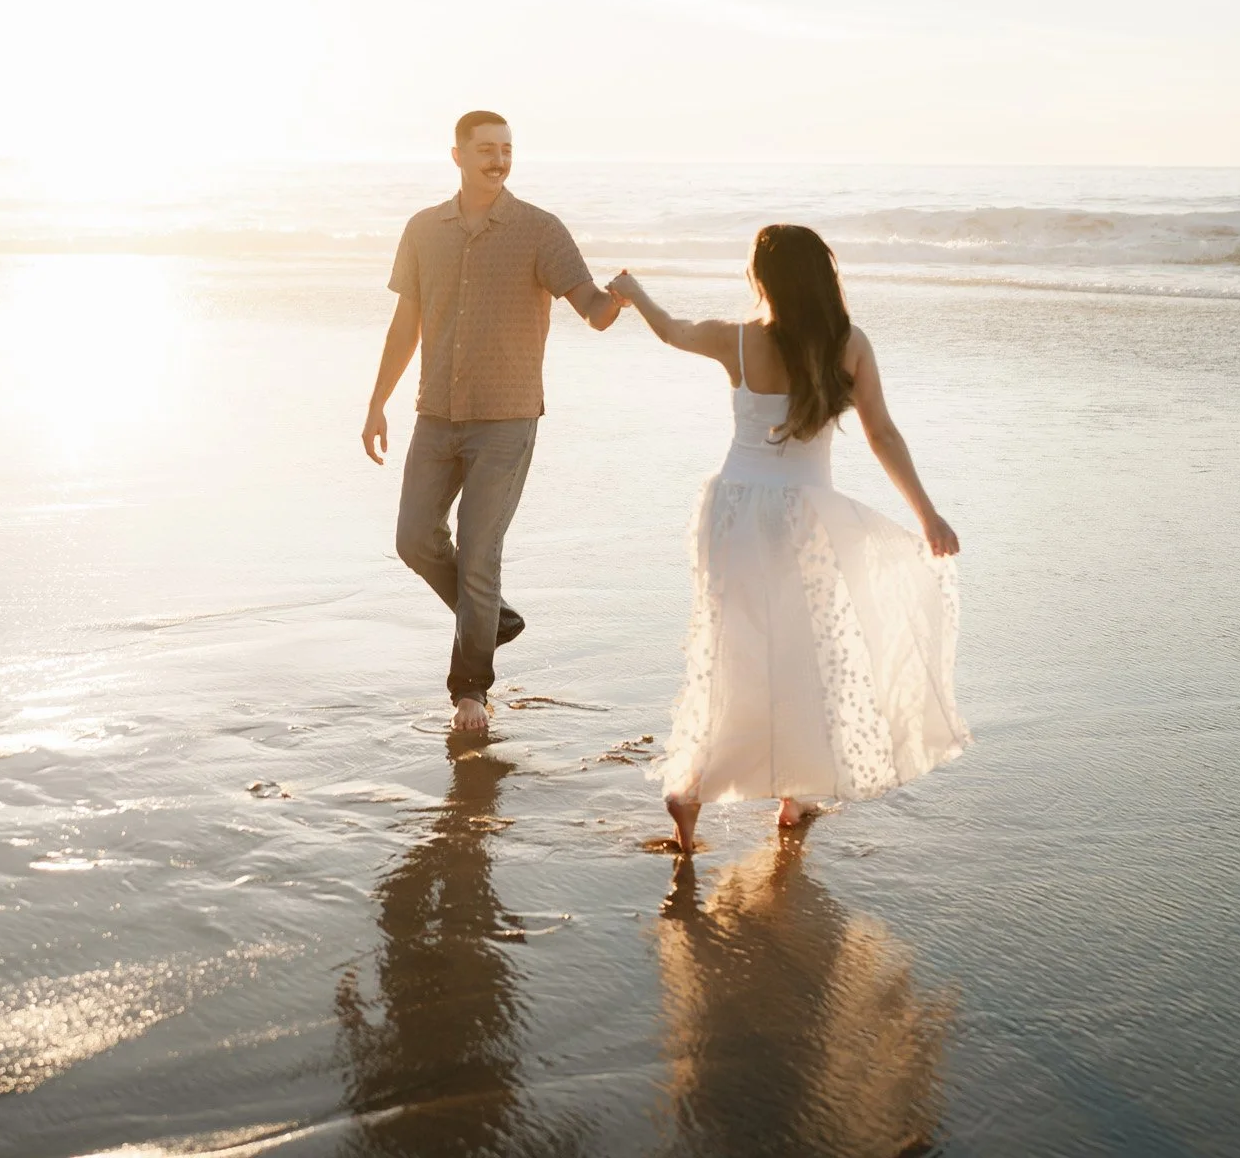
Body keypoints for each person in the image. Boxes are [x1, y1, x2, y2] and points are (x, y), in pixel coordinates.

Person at [610, 225, 969, 854]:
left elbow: (670, 331)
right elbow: (882, 434)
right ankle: (792, 796)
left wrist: (632, 290)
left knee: (733, 650)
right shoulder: (847, 344)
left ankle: (690, 788)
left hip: (732, 511)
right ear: (824, 278)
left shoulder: (738, 339)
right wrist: (928, 515)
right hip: (805, 517)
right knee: (805, 649)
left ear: (762, 280)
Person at [363, 112, 621, 734]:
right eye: (485, 149)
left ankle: (470, 691)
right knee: (413, 538)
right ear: (456, 155)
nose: (498, 159)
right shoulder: (424, 230)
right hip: (436, 413)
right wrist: (377, 402)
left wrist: (616, 301)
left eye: (506, 149)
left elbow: (589, 306)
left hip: (506, 419)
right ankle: (494, 619)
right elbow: (407, 324)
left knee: (480, 553)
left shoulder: (539, 230)